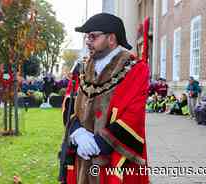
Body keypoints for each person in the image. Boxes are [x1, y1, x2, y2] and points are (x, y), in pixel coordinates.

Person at [60, 13, 149, 184]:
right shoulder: (82, 67)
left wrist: (99, 143)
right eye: (87, 36)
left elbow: (134, 115)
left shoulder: (136, 69)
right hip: (81, 155)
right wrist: (77, 132)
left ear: (111, 39)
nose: (88, 41)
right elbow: (68, 102)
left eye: (93, 36)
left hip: (113, 157)